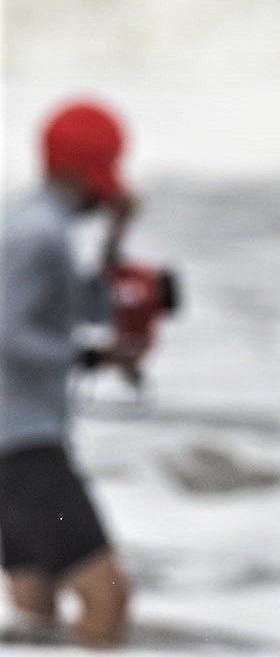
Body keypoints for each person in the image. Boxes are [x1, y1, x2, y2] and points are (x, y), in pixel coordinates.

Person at [0, 100, 138, 646]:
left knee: (36, 609)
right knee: (108, 596)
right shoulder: (41, 235)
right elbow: (5, 333)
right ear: (85, 171)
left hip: (11, 445)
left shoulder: (26, 222)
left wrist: (113, 241)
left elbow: (86, 308)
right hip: (25, 445)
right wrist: (93, 358)